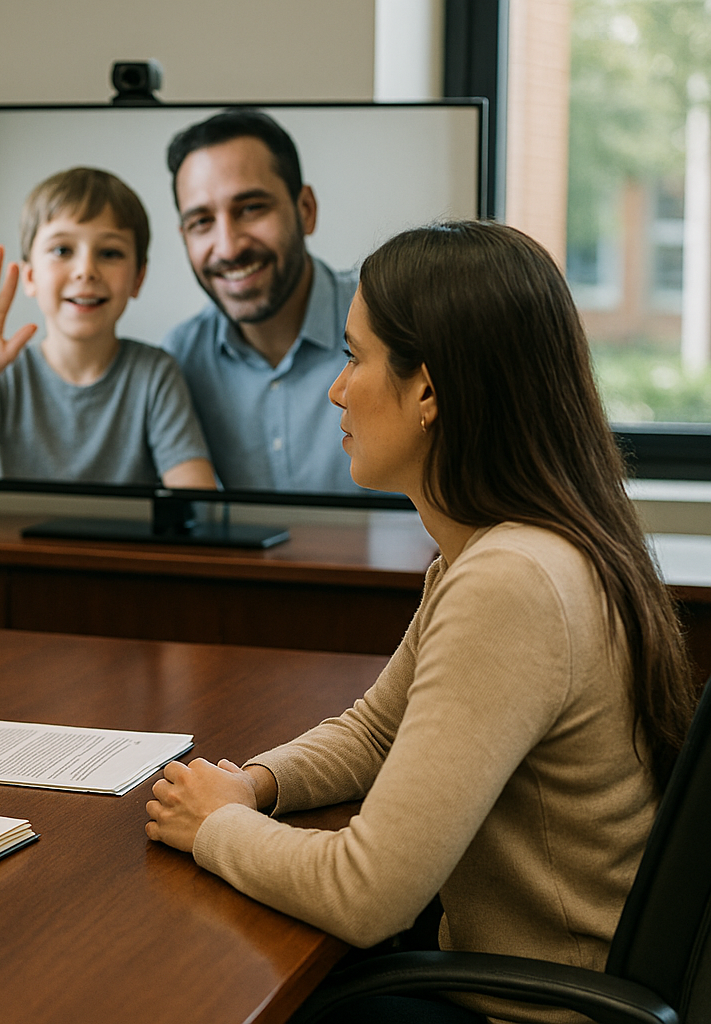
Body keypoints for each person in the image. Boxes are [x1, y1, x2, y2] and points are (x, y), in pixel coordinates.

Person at [145, 221, 700, 1024]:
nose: (336, 390)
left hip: (523, 1011)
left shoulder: (511, 583)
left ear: (429, 390)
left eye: (354, 356)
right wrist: (255, 784)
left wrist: (215, 826)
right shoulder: (506, 550)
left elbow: (366, 893)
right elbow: (377, 731)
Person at [0, 167, 214, 488]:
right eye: (62, 250)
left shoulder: (155, 374)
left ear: (138, 278)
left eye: (110, 253)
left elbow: (195, 499)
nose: (86, 270)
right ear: (30, 277)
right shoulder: (7, 375)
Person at [161, 108, 359, 493]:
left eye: (251, 208)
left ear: (305, 211)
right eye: (201, 221)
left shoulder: (394, 324)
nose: (229, 247)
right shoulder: (177, 361)